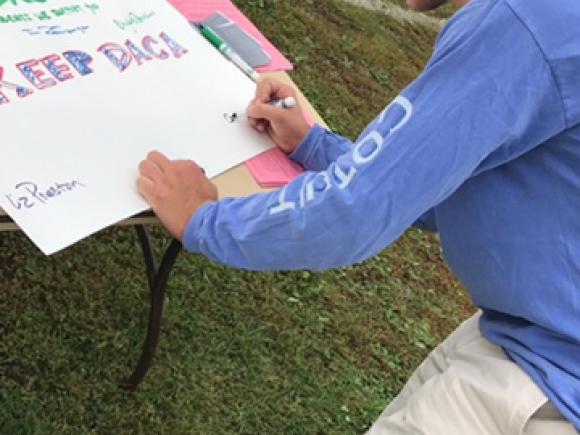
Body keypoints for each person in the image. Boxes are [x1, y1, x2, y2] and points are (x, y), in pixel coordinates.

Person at [137, 0, 580, 433]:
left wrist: (202, 217)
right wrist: (316, 146)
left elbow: (349, 215)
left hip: (541, 388)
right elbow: (445, 189)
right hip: (528, 339)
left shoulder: (527, 20)